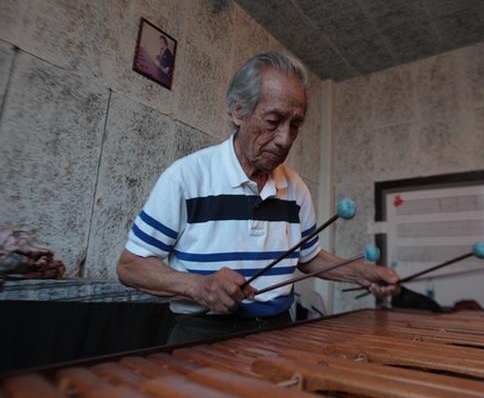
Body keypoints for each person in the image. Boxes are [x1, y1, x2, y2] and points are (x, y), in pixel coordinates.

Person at [117, 51, 400, 344]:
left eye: (295, 125)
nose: (285, 139)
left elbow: (308, 257)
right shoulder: (187, 177)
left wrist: (363, 274)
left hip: (280, 332)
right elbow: (130, 266)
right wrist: (197, 286)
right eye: (274, 120)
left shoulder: (296, 188)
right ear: (239, 111)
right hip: (202, 335)